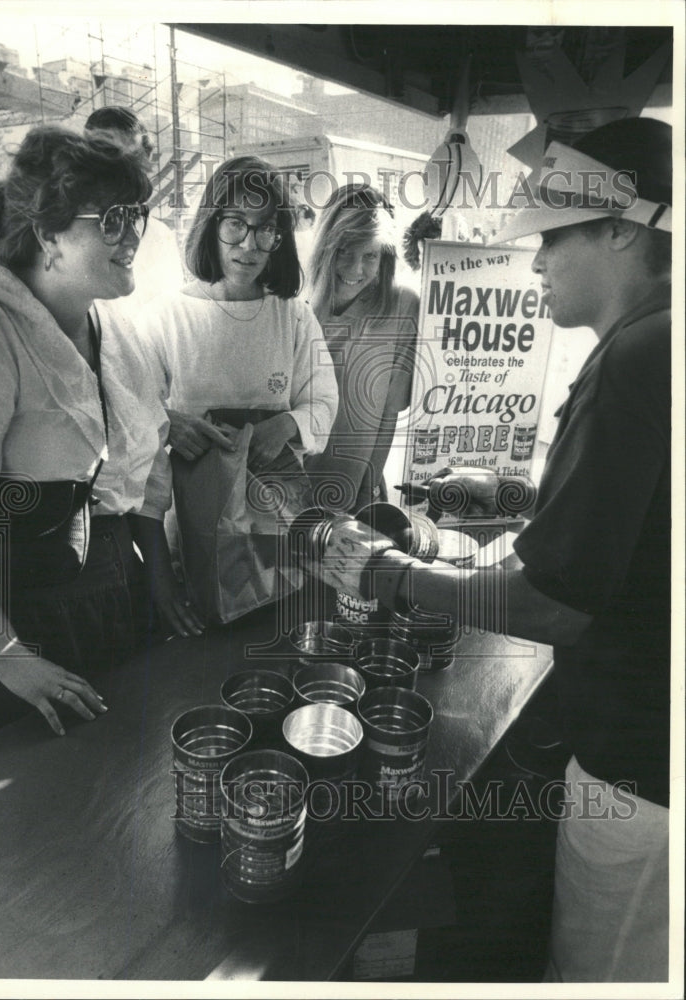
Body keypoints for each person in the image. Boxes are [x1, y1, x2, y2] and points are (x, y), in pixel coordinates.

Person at [319, 117, 672, 982]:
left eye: (553, 238)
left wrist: (392, 574)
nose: (538, 261)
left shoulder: (635, 358)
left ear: (622, 229)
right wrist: (510, 507)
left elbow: (553, 605)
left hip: (641, 764)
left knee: (599, 967)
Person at [0, 125, 171, 773]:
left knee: (105, 795)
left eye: (137, 213)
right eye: (112, 218)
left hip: (99, 605)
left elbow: (137, 474)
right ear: (48, 232)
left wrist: (157, 585)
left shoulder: (114, 327)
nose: (133, 233)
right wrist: (9, 659)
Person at [138, 155, 338, 621]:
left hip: (276, 513)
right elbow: (133, 411)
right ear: (211, 224)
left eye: (266, 229)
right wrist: (167, 422)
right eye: (235, 225)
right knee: (204, 627)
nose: (249, 245)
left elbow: (323, 399)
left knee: (273, 613)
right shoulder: (166, 315)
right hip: (195, 516)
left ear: (280, 238)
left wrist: (287, 424)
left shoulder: (291, 315)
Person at [304, 184, 420, 513]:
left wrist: (368, 486)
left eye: (370, 256)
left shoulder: (403, 306)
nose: (356, 270)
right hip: (285, 482)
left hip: (355, 489)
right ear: (326, 248)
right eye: (345, 252)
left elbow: (389, 414)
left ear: (385, 255)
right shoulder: (293, 303)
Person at [84, 105, 184, 320]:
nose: (122, 171)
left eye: (134, 159)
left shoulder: (159, 235)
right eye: (108, 155)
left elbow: (170, 314)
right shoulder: (77, 229)